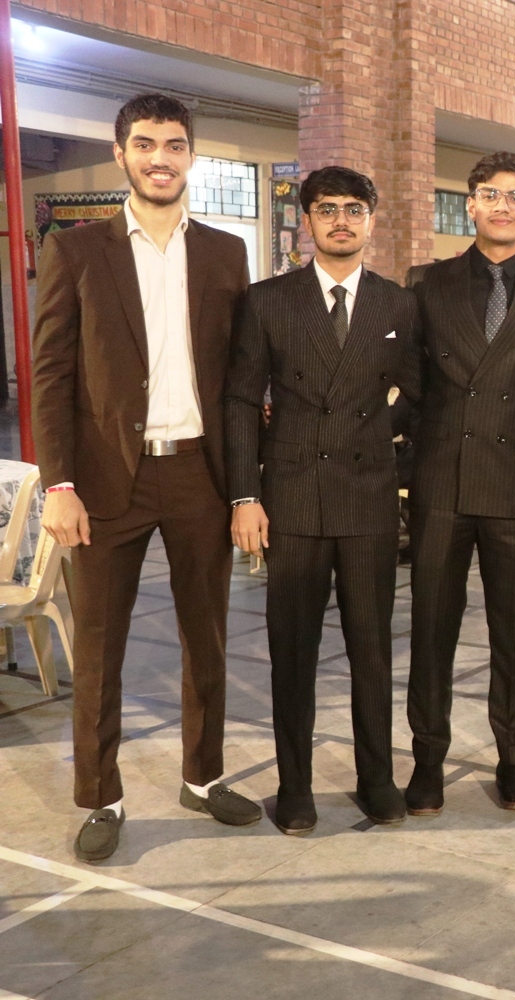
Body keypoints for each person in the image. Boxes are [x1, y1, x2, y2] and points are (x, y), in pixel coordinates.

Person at [32, 93, 259, 863]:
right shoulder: (75, 252)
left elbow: (239, 382)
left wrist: (245, 488)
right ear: (121, 153)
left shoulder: (226, 253)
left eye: (173, 144)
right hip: (104, 482)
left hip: (198, 472)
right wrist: (59, 485)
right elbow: (50, 377)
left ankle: (203, 777)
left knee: (209, 640)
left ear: (191, 154)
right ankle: (101, 796)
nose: (160, 158)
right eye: (145, 144)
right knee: (99, 649)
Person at [224, 166, 421, 836]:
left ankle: (377, 779)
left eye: (354, 209)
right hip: (293, 496)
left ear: (371, 220)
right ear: (306, 220)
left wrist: (384, 442)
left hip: (368, 498)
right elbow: (241, 399)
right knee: (293, 652)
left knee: (372, 649)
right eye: (328, 208)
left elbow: (420, 395)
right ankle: (295, 785)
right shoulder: (268, 301)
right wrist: (245, 495)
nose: (341, 220)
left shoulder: (398, 304)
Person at [402, 152, 515, 816]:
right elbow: (410, 385)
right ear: (470, 204)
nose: (503, 206)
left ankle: (514, 760)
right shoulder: (427, 282)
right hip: (441, 481)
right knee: (431, 631)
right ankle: (427, 760)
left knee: (514, 634)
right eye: (490, 195)